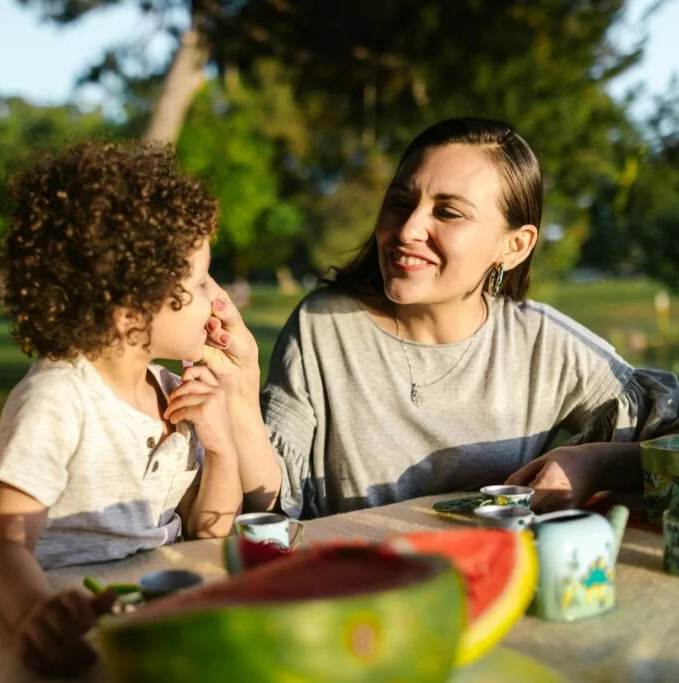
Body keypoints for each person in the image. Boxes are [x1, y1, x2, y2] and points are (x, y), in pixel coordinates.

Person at [204, 116, 679, 519]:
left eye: (448, 212)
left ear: (514, 246)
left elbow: (670, 439)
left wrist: (594, 462)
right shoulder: (323, 326)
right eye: (400, 202)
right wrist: (242, 395)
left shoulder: (542, 345)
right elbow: (272, 506)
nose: (408, 229)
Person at [0, 140, 242, 678]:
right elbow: (1, 545)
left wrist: (221, 448)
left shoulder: (171, 389)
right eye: (196, 283)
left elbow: (208, 533)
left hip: (154, 623)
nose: (216, 299)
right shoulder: (58, 400)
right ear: (128, 315)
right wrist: (34, 614)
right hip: (76, 625)